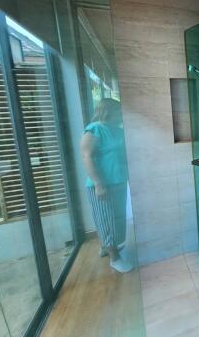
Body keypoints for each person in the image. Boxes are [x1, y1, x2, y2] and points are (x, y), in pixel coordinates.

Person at [81, 98, 132, 273]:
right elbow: (87, 156)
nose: (121, 115)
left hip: (118, 181)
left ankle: (108, 247)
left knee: (117, 218)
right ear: (108, 111)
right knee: (106, 220)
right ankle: (114, 258)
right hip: (103, 184)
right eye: (118, 111)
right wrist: (98, 183)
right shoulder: (95, 129)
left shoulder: (118, 130)